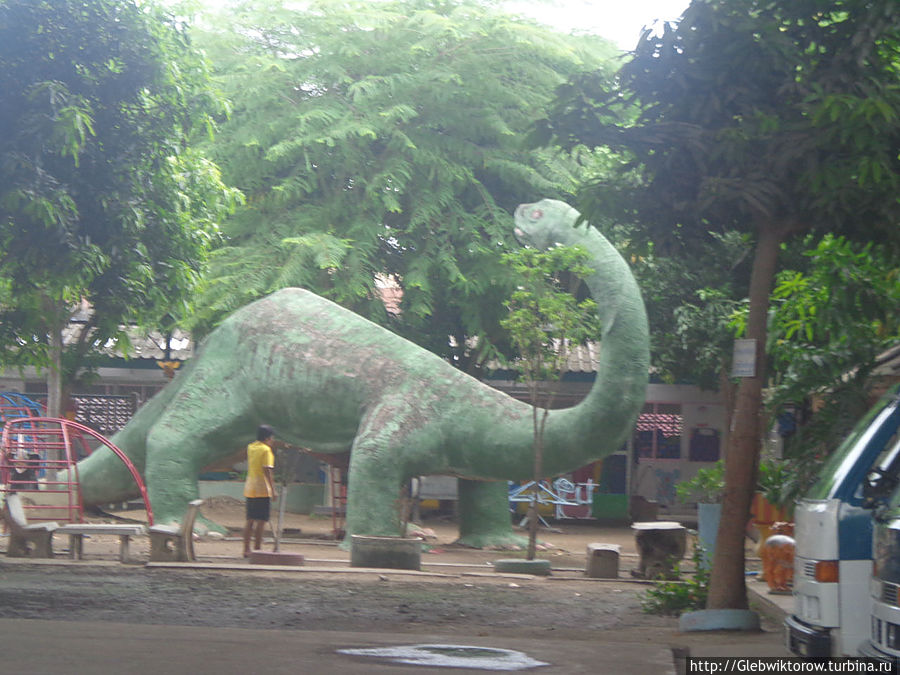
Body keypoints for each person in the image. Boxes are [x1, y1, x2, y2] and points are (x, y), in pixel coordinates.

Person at [243, 424, 277, 557]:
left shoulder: (251, 447)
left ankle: (246, 549)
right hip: (262, 489)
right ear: (268, 438)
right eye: (272, 438)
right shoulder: (266, 450)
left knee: (250, 520)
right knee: (262, 521)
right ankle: (257, 549)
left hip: (250, 488)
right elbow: (267, 470)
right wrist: (273, 490)